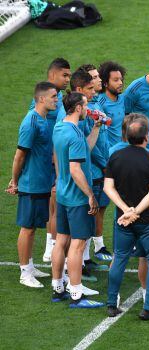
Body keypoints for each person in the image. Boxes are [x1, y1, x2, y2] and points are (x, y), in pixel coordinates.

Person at [104, 116, 149, 320]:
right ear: (146, 137)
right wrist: (135, 212)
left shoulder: (115, 157)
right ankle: (148, 309)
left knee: (119, 258)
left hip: (123, 221)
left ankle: (112, 304)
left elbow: (108, 188)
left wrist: (125, 211)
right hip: (148, 222)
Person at [50, 92, 104, 308]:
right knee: (78, 244)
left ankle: (58, 287)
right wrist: (90, 194)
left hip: (63, 194)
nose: (88, 108)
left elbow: (83, 151)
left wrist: (96, 128)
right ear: (79, 108)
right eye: (86, 105)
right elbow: (75, 169)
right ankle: (76, 293)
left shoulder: (60, 127)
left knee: (61, 240)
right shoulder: (74, 134)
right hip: (76, 197)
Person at [7, 82, 58, 288]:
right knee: (27, 229)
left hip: (42, 182)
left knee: (34, 227)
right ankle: (24, 273)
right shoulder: (31, 122)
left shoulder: (44, 119)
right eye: (54, 96)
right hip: (31, 184)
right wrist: (15, 181)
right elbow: (19, 156)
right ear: (42, 99)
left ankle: (30, 265)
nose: (57, 99)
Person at [29, 58, 71, 263]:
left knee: (54, 204)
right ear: (52, 75)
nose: (67, 79)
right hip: (48, 160)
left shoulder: (59, 95)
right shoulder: (43, 101)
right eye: (64, 75)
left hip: (54, 157)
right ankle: (51, 248)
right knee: (54, 204)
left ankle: (50, 247)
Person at [77, 64, 114, 264]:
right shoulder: (84, 110)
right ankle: (83, 259)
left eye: (97, 77)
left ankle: (94, 250)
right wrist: (105, 163)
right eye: (92, 79)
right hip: (94, 168)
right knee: (91, 211)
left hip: (101, 166)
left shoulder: (97, 101)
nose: (97, 81)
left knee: (99, 208)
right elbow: (89, 143)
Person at [97, 61, 126, 148]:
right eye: (116, 80)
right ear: (105, 83)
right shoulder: (100, 103)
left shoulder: (122, 99)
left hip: (123, 149)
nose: (120, 83)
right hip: (110, 153)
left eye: (121, 79)